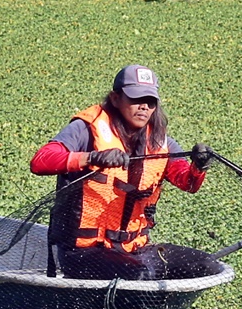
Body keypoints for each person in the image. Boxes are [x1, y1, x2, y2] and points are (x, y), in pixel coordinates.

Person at [27, 65, 227, 282]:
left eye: (150, 102)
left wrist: (199, 166)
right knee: (140, 275)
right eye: (136, 99)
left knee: (206, 265)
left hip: (135, 249)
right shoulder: (86, 130)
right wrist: (91, 157)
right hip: (83, 252)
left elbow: (187, 182)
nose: (144, 107)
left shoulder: (161, 142)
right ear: (115, 99)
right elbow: (41, 161)